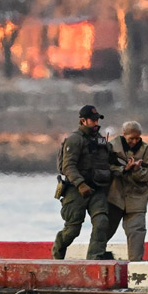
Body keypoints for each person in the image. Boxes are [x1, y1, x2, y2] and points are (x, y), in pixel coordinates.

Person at [52, 105, 112, 260]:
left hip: (97, 188)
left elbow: (110, 159)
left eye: (97, 119)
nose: (96, 123)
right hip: (75, 189)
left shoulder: (100, 140)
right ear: (83, 121)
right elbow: (68, 167)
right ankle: (58, 250)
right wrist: (80, 184)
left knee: (101, 222)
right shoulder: (74, 140)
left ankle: (95, 258)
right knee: (72, 230)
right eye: (93, 120)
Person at [106, 121, 148, 261]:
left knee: (137, 231)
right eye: (131, 138)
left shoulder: (145, 149)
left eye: (137, 138)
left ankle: (136, 264)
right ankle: (94, 258)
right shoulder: (111, 147)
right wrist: (124, 169)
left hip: (137, 198)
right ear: (124, 135)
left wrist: (137, 170)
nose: (135, 141)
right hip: (115, 197)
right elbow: (105, 169)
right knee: (104, 230)